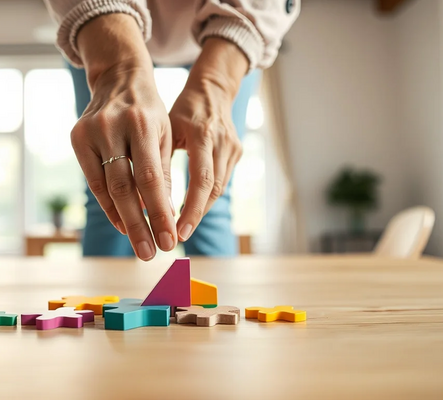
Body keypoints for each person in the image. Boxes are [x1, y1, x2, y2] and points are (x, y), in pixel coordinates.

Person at [44, 0, 300, 261]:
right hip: (101, 15)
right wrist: (116, 70)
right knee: (111, 188)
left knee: (210, 193)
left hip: (234, 17)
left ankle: (213, 289)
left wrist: (216, 83)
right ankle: (105, 290)